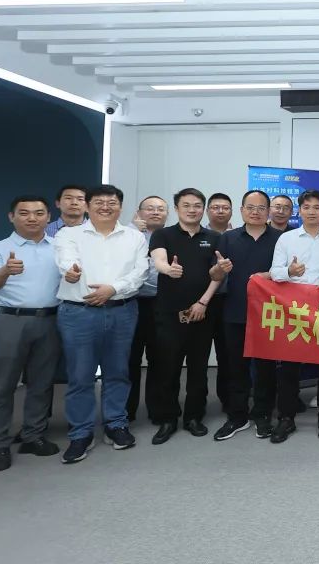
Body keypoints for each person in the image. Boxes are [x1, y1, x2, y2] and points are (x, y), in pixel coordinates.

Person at [53, 184, 148, 464]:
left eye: (112, 202)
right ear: (87, 205)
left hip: (121, 310)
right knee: (80, 375)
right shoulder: (68, 234)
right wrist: (71, 272)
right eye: (99, 202)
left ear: (120, 206)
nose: (105, 207)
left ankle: (116, 424)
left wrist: (113, 289)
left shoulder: (134, 237)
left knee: (118, 371)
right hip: (79, 313)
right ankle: (81, 433)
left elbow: (140, 272)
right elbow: (66, 261)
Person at [0, 195, 63, 472]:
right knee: (2, 386)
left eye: (39, 213)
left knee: (42, 383)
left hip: (50, 320)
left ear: (48, 217)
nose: (32, 218)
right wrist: (5, 271)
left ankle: (33, 436)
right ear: (11, 217)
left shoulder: (60, 248)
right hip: (10, 321)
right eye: (24, 213)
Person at [148, 188, 221, 445]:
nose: (192, 209)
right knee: (168, 368)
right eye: (186, 205)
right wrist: (168, 269)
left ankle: (194, 417)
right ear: (177, 208)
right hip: (169, 313)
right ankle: (168, 418)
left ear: (203, 209)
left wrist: (203, 302)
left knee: (199, 370)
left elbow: (218, 274)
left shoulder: (213, 237)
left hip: (202, 313)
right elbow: (158, 259)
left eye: (197, 205)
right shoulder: (163, 234)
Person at [209, 191, 284, 441]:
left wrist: (271, 275)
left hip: (270, 313)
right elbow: (214, 276)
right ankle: (237, 416)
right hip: (235, 311)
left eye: (261, 208)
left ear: (268, 212)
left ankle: (262, 415)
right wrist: (219, 269)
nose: (255, 212)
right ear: (241, 210)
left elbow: (288, 274)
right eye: (250, 207)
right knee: (235, 367)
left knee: (265, 369)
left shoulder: (281, 239)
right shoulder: (228, 238)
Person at [269, 190, 319, 440]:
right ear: (299, 211)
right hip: (294, 309)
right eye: (307, 207)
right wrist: (290, 272)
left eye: (317, 207)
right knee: (289, 366)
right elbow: (274, 272)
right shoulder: (287, 239)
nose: (312, 212)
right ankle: (286, 418)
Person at [126, 195, 167, 422]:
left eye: (160, 209)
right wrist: (134, 228)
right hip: (131, 303)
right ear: (139, 212)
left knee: (159, 359)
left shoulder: (170, 237)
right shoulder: (128, 236)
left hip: (161, 304)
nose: (155, 212)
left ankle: (157, 409)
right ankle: (126, 411)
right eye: (150, 208)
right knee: (130, 359)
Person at [0, 183, 87, 252]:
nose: (74, 203)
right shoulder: (40, 228)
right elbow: (9, 249)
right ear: (58, 203)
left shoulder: (95, 231)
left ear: (87, 205)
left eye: (80, 199)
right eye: (68, 198)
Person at [203, 193, 233, 416]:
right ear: (207, 211)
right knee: (199, 355)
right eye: (215, 207)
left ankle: (228, 399)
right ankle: (197, 403)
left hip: (230, 301)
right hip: (203, 302)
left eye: (225, 207)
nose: (220, 211)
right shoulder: (199, 236)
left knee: (228, 354)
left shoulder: (237, 236)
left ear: (232, 211)